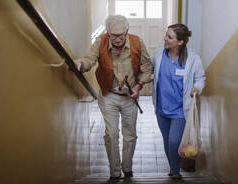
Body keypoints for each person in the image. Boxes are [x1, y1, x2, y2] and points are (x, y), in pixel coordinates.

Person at [74, 15, 152, 182]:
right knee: (111, 134)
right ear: (108, 33)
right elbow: (89, 60)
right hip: (108, 94)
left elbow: (147, 67)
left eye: (121, 35)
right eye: (113, 35)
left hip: (130, 97)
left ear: (127, 31)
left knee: (130, 135)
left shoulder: (137, 42)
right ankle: (114, 172)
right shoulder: (101, 42)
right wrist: (80, 64)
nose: (117, 39)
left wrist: (138, 87)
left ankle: (127, 168)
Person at [151, 24, 205, 179]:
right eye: (166, 35)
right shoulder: (159, 53)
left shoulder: (193, 59)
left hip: (180, 110)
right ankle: (174, 169)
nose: (165, 39)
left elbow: (200, 78)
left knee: (174, 141)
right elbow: (152, 70)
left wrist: (197, 87)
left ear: (180, 42)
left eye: (169, 37)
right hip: (161, 108)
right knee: (167, 141)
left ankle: (175, 170)